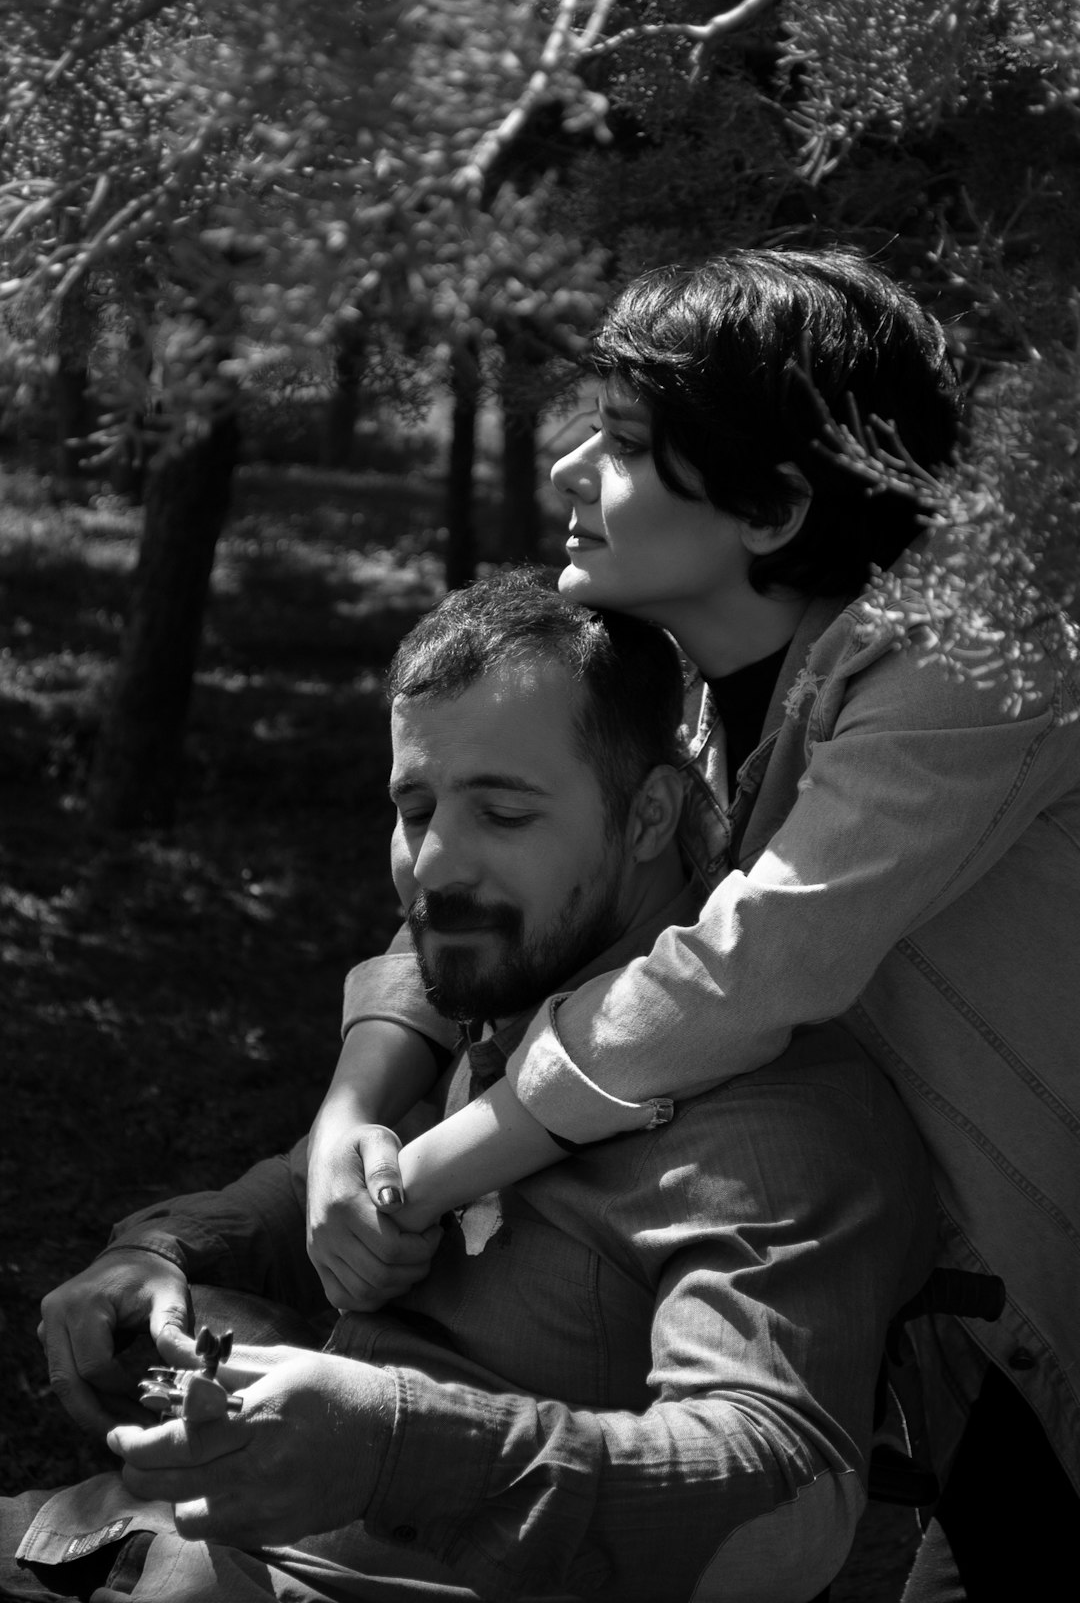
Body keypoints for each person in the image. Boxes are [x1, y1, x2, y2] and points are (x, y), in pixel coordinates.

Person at [305, 250, 1080, 1599]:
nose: (565, 475)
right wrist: (351, 1115)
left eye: (618, 442)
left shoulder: (979, 664)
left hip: (1017, 1292)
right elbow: (503, 898)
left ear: (774, 504)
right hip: (893, 1302)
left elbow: (740, 969)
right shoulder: (705, 694)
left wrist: (426, 1176)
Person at [4, 573, 937, 1603]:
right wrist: (165, 1248)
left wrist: (394, 1444)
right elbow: (346, 1191)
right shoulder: (514, 982)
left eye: (501, 810)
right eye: (414, 806)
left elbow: (775, 1487)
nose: (434, 865)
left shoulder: (773, 1119)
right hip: (130, 1545)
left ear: (648, 815)